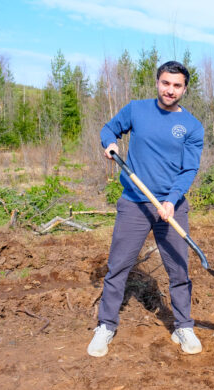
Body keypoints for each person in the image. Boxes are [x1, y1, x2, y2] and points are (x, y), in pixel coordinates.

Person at [87, 61, 204, 357]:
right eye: (166, 83)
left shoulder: (192, 126)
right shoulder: (136, 110)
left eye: (177, 86)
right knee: (118, 267)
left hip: (171, 207)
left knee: (179, 269)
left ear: (184, 89)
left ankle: (183, 326)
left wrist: (171, 199)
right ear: (158, 82)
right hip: (133, 203)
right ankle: (106, 325)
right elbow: (109, 128)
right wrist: (110, 143)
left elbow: (189, 168)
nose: (170, 90)